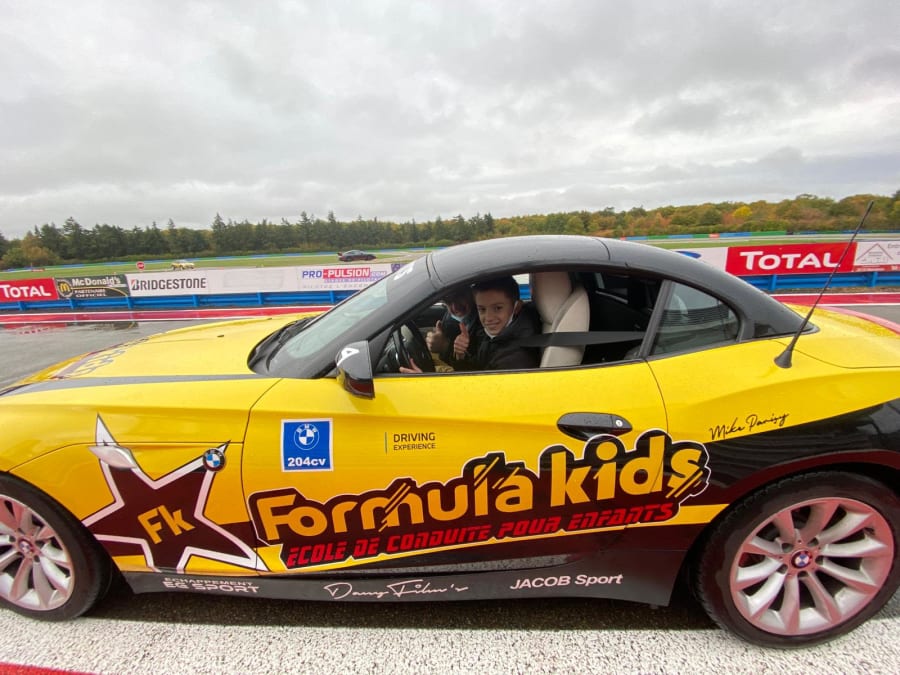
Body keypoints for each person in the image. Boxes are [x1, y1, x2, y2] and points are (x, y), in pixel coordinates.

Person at [401, 276, 539, 373]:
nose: (488, 318)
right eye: (482, 309)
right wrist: (460, 356)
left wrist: (424, 384)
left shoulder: (514, 358)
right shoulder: (495, 336)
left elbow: (479, 396)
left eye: (498, 308)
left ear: (516, 307)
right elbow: (477, 370)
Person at [426, 287, 482, 367]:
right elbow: (447, 361)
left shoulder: (486, 320)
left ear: (471, 292)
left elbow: (480, 369)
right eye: (448, 302)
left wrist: (444, 346)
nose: (455, 307)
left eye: (459, 297)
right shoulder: (449, 318)